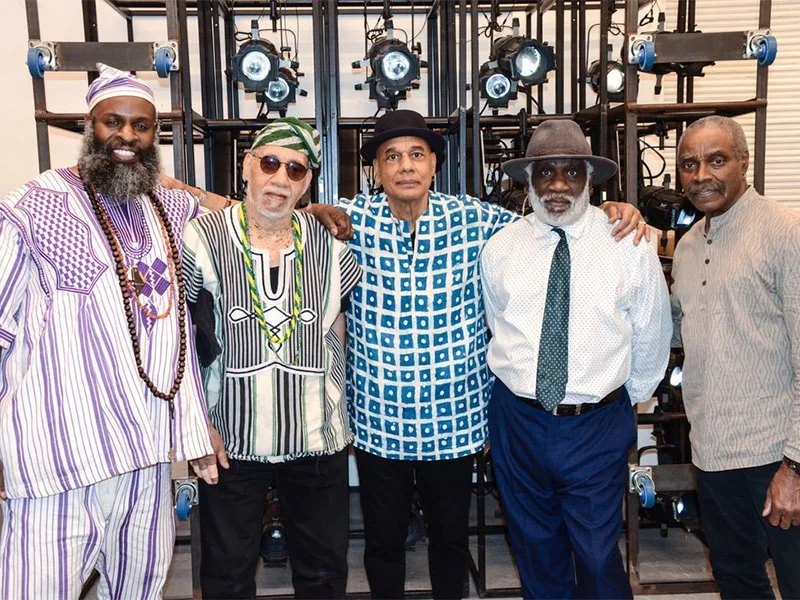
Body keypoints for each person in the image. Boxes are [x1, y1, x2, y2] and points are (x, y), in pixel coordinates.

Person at [336, 110, 649, 599]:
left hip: (455, 418)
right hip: (380, 418)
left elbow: (556, 217)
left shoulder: (480, 222)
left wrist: (614, 209)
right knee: (382, 543)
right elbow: (281, 218)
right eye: (391, 157)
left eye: (417, 155)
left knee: (451, 541)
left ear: (434, 165)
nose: (405, 167)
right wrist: (311, 214)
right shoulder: (348, 222)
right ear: (375, 169)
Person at [0, 63, 219, 599]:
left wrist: (315, 210)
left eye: (141, 126)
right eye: (112, 122)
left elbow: (238, 210)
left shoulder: (166, 206)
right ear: (88, 126)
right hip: (57, 455)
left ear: (155, 135)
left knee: (140, 588)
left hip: (145, 455)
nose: (127, 135)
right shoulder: (36, 202)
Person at [481, 119, 672, 599]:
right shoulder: (500, 248)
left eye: (571, 172)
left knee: (595, 553)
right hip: (518, 422)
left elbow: (653, 333)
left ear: (590, 178)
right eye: (546, 172)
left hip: (596, 424)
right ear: (529, 181)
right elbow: (497, 321)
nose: (559, 185)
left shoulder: (628, 244)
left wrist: (620, 400)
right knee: (534, 547)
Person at [182, 118, 362, 599]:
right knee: (226, 572)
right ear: (247, 166)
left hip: (318, 436)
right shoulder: (199, 240)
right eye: (270, 162)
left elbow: (336, 331)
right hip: (232, 437)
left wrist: (340, 411)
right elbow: (182, 338)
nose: (281, 179)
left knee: (324, 571)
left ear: (308, 183)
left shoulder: (332, 245)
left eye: (296, 170)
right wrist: (196, 423)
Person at [671, 115, 800, 600]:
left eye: (716, 160)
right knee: (738, 580)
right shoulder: (686, 246)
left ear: (743, 162)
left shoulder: (786, 233)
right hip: (712, 452)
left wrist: (795, 467)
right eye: (689, 164)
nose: (701, 174)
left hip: (777, 457)